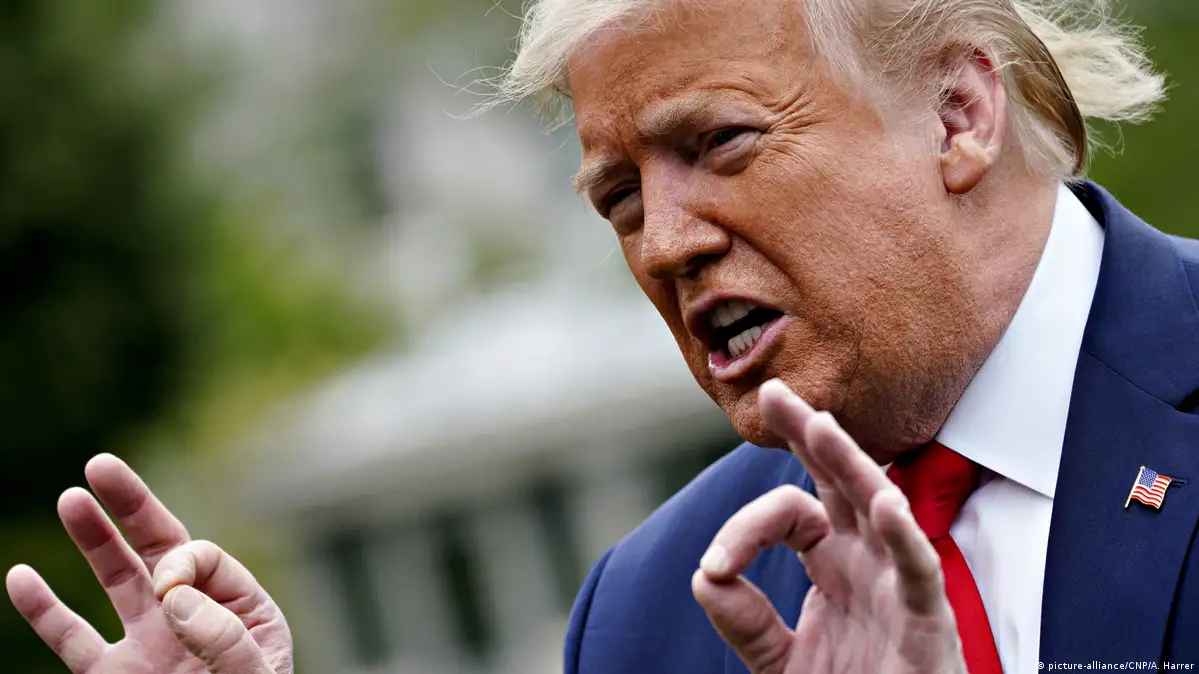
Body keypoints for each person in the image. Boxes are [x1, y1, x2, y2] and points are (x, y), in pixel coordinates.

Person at [7, 0, 1199, 672]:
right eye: (619, 197)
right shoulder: (644, 615)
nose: (664, 242)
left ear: (957, 114)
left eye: (718, 144)